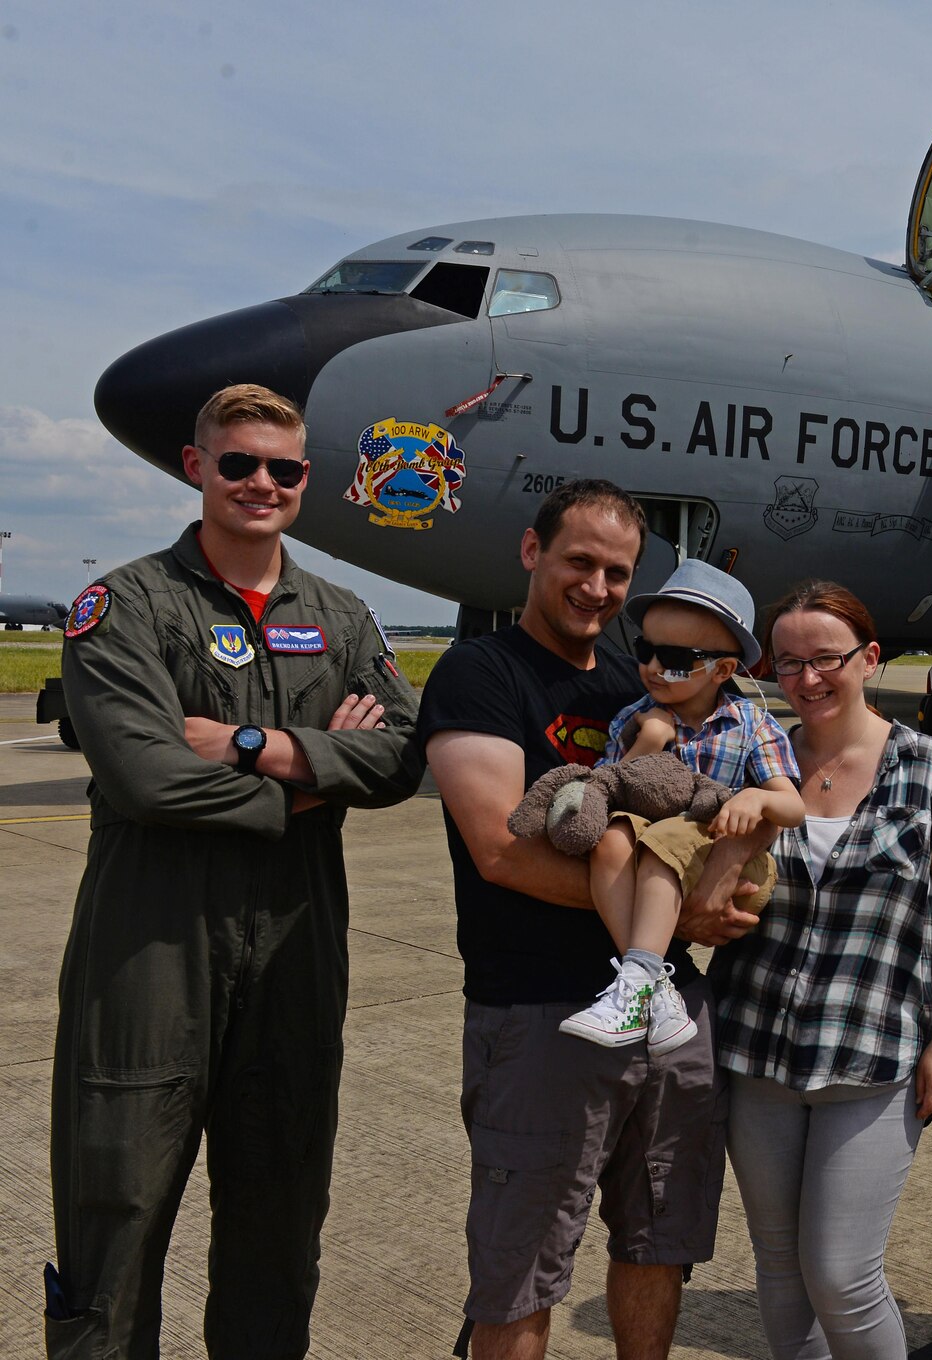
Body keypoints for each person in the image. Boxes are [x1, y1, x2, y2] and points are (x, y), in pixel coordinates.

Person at [45, 383, 422, 1359]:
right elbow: (143, 775)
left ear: (305, 481)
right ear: (195, 466)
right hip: (150, 955)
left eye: (282, 468)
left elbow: (402, 754)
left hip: (294, 956)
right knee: (114, 1226)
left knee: (279, 1226)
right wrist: (307, 784)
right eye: (239, 462)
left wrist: (256, 745)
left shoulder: (339, 615)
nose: (261, 482)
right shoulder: (125, 605)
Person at [418, 481, 777, 1360]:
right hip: (540, 1010)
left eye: (618, 572)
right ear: (533, 553)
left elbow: (714, 797)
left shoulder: (640, 678)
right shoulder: (482, 672)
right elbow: (502, 850)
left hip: (670, 1013)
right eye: (580, 561)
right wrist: (681, 910)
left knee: (661, 1243)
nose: (597, 587)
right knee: (521, 1272)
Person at [710, 580, 932, 1360]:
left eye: (826, 659)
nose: (806, 679)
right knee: (779, 1265)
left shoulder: (929, 770)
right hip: (756, 1048)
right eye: (789, 663)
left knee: (840, 1272)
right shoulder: (753, 757)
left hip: (873, 1060)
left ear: (868, 659)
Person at [558, 562, 804, 1050]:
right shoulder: (633, 717)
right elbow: (611, 790)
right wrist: (650, 738)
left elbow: (792, 807)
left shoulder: (751, 724)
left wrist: (755, 796)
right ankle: (652, 986)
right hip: (656, 853)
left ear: (724, 670)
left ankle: (638, 984)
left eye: (673, 658)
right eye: (644, 650)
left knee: (663, 840)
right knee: (611, 837)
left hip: (727, 853)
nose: (651, 667)